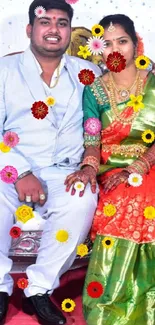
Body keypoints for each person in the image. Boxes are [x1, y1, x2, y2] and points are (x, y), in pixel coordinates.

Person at [0, 0, 101, 324]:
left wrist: (88, 166)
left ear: (69, 31)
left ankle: (39, 288)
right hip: (12, 165)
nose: (54, 29)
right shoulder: (4, 70)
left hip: (64, 170)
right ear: (30, 29)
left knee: (82, 198)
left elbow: (96, 126)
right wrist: (21, 172)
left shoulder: (88, 73)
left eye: (61, 23)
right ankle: (0, 287)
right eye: (46, 22)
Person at [65, 13, 155, 325]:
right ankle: (109, 309)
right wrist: (90, 168)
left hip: (151, 163)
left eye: (122, 41)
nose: (115, 50)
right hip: (110, 168)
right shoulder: (94, 90)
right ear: (98, 49)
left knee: (140, 194)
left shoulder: (154, 83)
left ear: (136, 43)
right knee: (120, 196)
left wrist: (138, 166)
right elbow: (92, 137)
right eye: (107, 44)